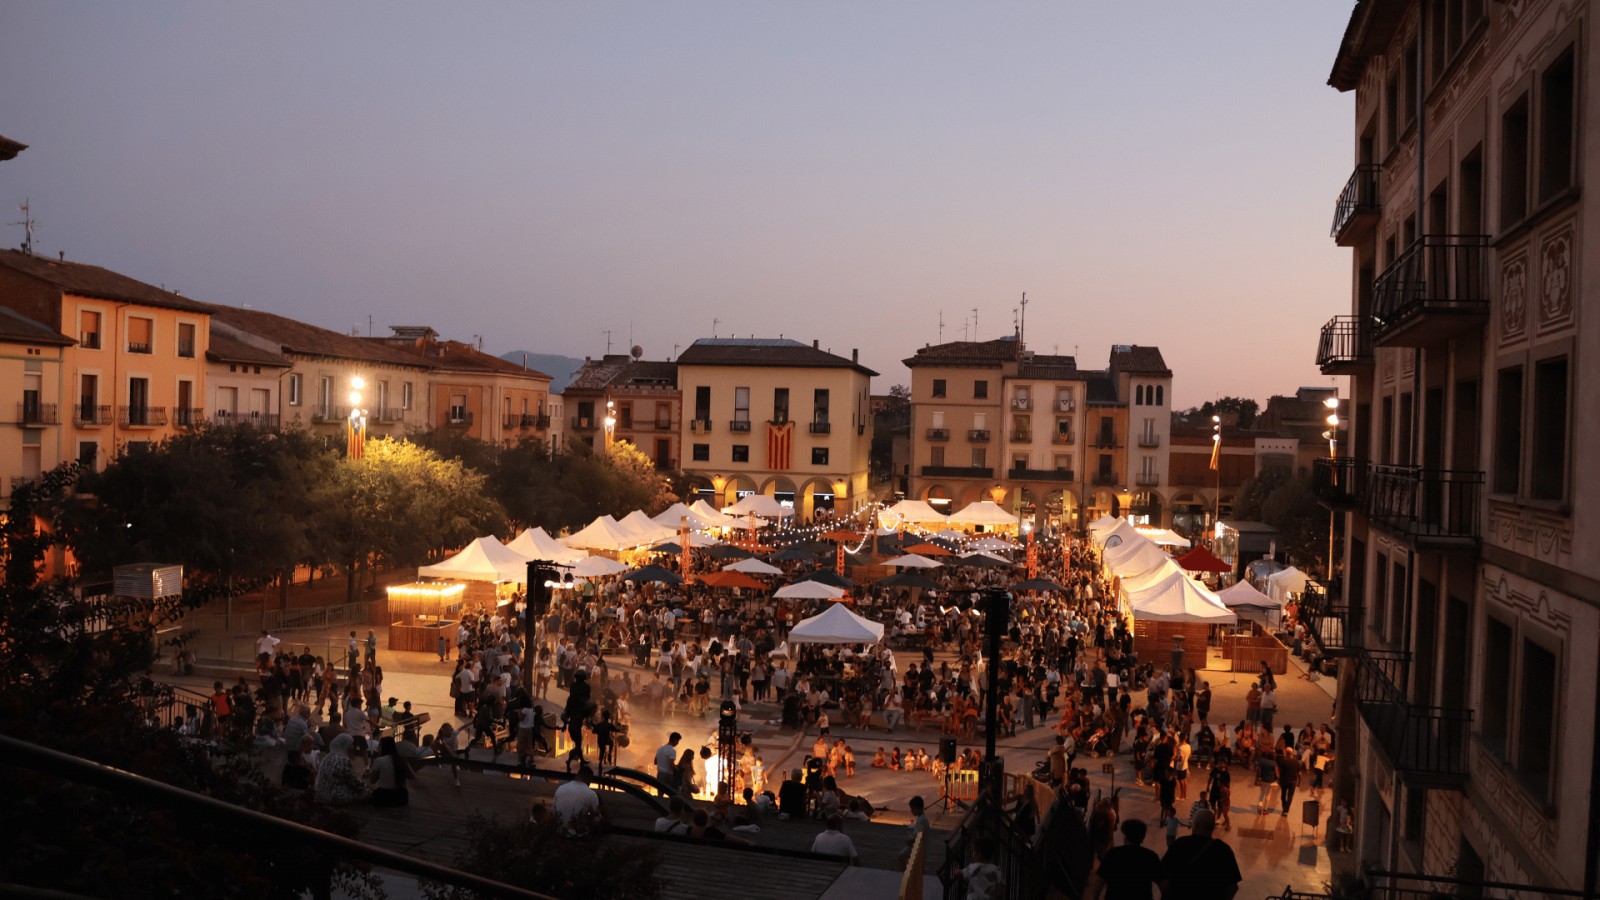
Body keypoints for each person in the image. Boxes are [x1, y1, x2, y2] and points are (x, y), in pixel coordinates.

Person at [1159, 808, 1242, 900]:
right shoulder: (1223, 850)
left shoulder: (1180, 844)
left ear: (1196, 825)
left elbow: (1162, 876)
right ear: (1212, 827)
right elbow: (1233, 887)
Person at [1094, 819, 1161, 900]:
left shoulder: (1113, 854)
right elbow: (1165, 886)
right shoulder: (1150, 856)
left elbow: (1098, 882)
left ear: (1125, 836)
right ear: (1142, 837)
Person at [315, 734, 369, 806]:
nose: (353, 748)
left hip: (323, 794)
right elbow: (354, 781)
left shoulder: (328, 757)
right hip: (334, 797)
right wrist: (367, 790)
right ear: (345, 745)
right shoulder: (343, 760)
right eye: (351, 745)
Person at [553, 764, 603, 836]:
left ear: (577, 776)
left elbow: (554, 812)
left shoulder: (560, 788)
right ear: (589, 779)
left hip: (559, 831)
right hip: (579, 834)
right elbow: (596, 818)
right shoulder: (591, 794)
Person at [367, 736, 411, 807]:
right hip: (401, 797)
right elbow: (412, 776)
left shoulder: (379, 760)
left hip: (384, 797)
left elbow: (372, 781)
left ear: (385, 747)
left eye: (380, 745)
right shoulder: (401, 759)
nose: (378, 748)